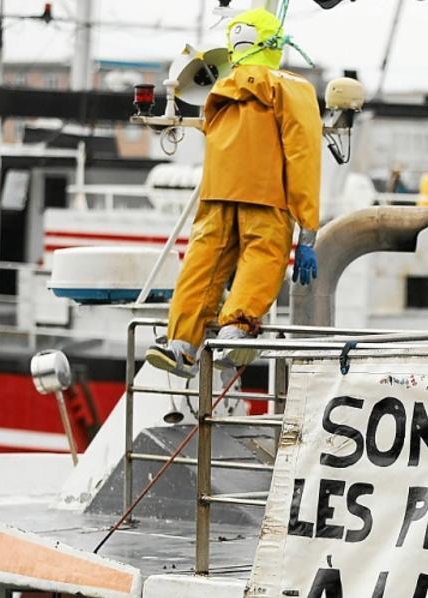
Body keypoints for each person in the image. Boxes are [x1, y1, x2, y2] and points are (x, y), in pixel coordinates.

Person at [146, 8, 321, 378]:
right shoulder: (289, 87)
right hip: (265, 193)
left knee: (203, 263)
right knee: (263, 255)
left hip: (216, 193)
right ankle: (236, 330)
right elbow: (302, 154)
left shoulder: (220, 89)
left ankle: (180, 345)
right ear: (273, 42)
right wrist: (307, 229)